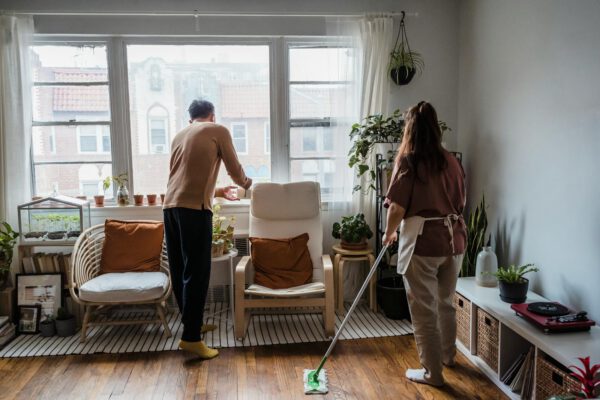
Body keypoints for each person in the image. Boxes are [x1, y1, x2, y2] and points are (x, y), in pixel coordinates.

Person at [382, 101, 466, 387]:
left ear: (410, 129)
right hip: (453, 243)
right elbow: (461, 202)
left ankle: (433, 374)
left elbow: (396, 208)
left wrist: (388, 233)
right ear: (435, 127)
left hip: (422, 244)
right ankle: (448, 357)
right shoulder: (452, 160)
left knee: (424, 310)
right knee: (446, 304)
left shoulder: (410, 161)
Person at [163, 99, 252, 359]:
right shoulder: (218, 130)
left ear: (191, 119)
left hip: (170, 207)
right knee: (198, 272)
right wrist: (249, 184)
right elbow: (235, 170)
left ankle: (192, 325)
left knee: (180, 270)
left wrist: (218, 190)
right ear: (212, 116)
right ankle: (191, 338)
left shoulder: (180, 135)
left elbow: (183, 177)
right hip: (194, 210)